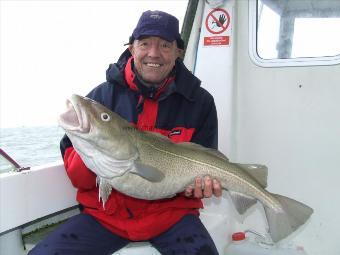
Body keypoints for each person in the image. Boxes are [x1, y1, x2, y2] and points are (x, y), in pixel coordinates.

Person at [29, 10, 222, 255]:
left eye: (164, 45)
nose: (154, 53)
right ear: (131, 48)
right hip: (106, 218)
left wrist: (200, 185)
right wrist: (94, 147)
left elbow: (206, 159)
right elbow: (79, 179)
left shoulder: (200, 102)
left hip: (172, 217)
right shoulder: (100, 98)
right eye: (144, 44)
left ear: (178, 52)